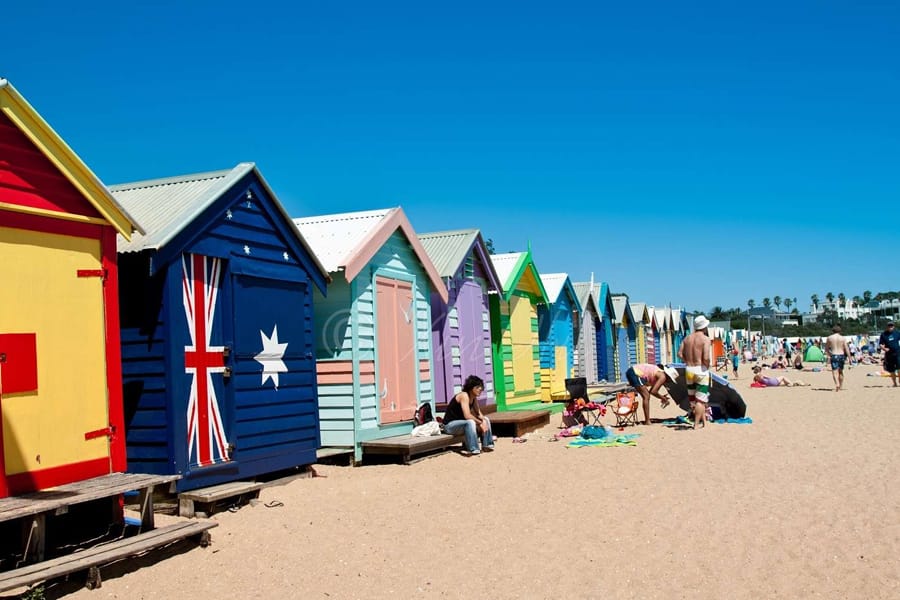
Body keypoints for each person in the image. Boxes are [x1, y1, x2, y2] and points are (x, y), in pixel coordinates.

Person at [442, 375, 494, 455]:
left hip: (461, 424)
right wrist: (480, 423)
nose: (480, 389)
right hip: (449, 426)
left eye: (481, 387)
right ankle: (473, 448)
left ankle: (487, 445)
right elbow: (467, 415)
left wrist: (483, 421)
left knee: (486, 419)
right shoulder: (464, 395)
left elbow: (478, 413)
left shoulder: (473, 398)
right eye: (477, 387)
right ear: (471, 387)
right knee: (470, 422)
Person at [678, 314, 711, 429]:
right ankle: (696, 424)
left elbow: (679, 354)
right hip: (700, 369)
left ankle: (704, 422)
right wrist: (707, 365)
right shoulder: (705, 339)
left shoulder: (687, 338)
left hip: (689, 369)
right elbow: (706, 357)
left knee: (693, 399)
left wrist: (687, 361)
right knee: (701, 400)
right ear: (704, 327)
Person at [825, 325, 852, 392]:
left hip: (834, 354)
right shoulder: (842, 338)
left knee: (834, 371)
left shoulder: (829, 338)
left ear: (832, 331)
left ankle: (837, 384)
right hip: (841, 355)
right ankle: (841, 385)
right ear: (840, 331)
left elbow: (826, 349)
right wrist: (850, 358)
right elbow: (846, 348)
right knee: (841, 372)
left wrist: (830, 354)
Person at [878, 321, 900, 387]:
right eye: (889, 326)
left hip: (898, 353)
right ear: (887, 327)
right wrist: (884, 349)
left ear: (893, 326)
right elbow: (880, 344)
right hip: (889, 355)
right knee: (891, 370)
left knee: (899, 368)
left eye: (891, 326)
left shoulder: (897, 333)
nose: (890, 327)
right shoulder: (883, 334)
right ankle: (894, 383)